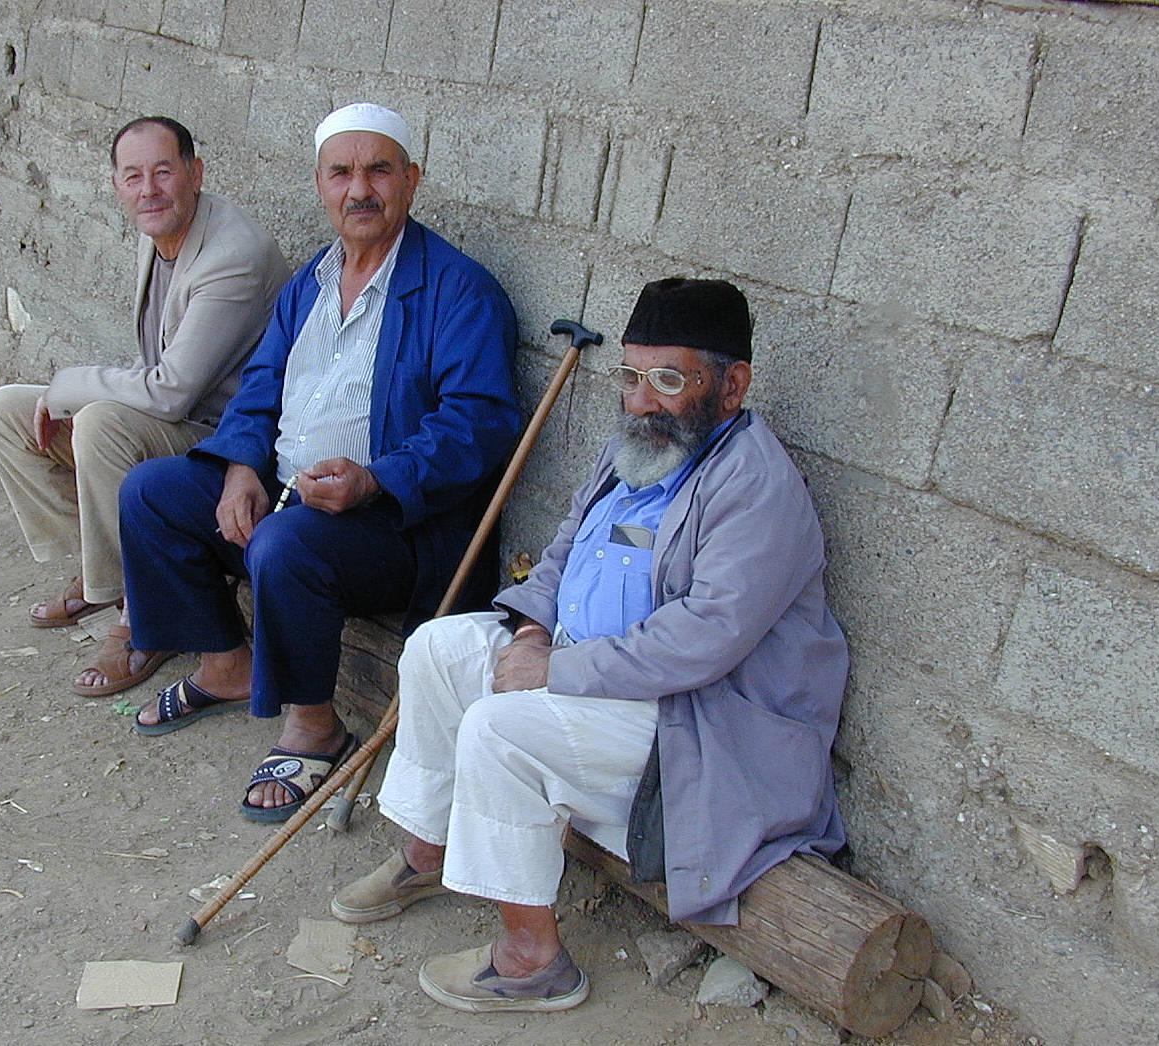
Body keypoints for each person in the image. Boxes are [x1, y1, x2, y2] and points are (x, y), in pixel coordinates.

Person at [329, 278, 849, 1014]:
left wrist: (556, 669)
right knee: (436, 650)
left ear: (732, 386)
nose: (641, 398)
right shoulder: (636, 452)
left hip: (699, 721)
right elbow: (561, 554)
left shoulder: (754, 487)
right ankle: (428, 849)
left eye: (669, 379)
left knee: (498, 729)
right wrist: (535, 630)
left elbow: (703, 639)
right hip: (600, 678)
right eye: (631, 376)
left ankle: (530, 961)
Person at [118, 103, 520, 823]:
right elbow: (260, 386)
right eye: (341, 172)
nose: (358, 189)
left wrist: (376, 478)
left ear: (411, 181)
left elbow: (478, 424)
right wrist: (241, 464)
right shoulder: (309, 281)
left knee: (284, 542)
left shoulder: (460, 288)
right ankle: (225, 662)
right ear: (320, 183)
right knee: (153, 491)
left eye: (378, 170)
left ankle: (314, 726)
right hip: (286, 493)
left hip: (395, 526)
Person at [0, 116, 291, 697]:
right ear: (117, 186)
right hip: (177, 418)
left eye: (163, 172)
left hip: (227, 440)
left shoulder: (232, 255)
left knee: (98, 424)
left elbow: (172, 390)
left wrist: (72, 384)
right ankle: (108, 576)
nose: (148, 189)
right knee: (5, 411)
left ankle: (139, 622)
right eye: (133, 176)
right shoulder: (160, 232)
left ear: (195, 174)